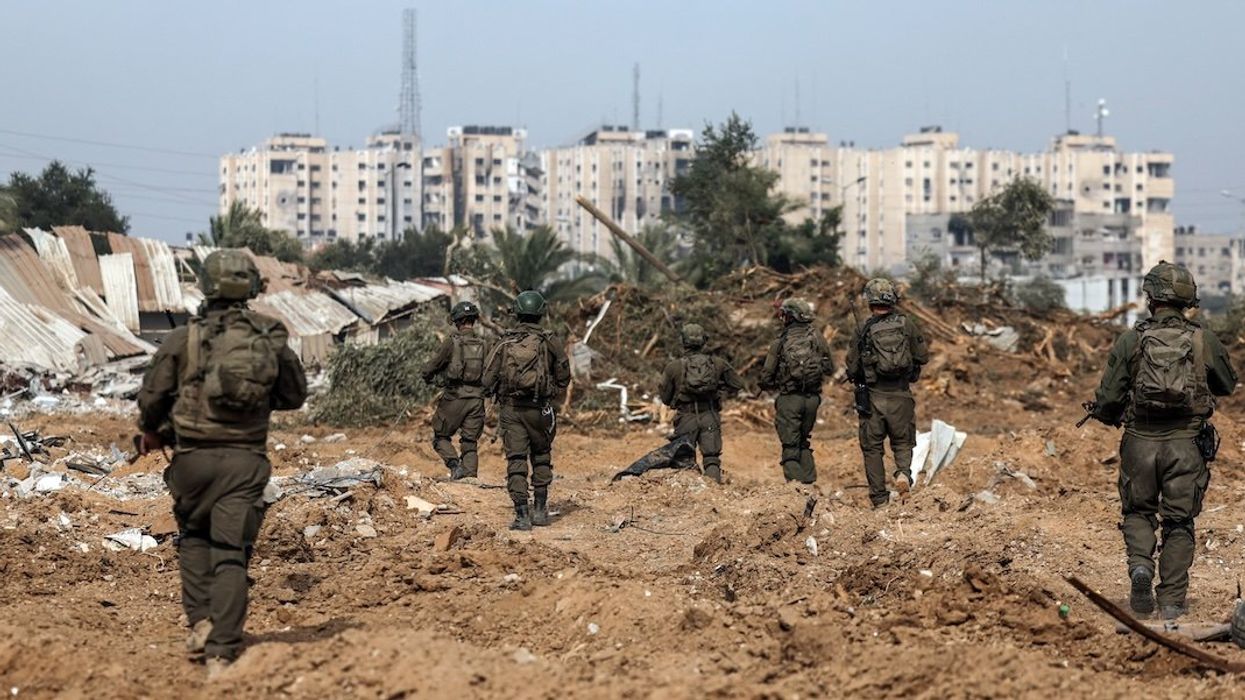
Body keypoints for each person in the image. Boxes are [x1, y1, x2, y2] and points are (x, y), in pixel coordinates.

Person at [136, 250, 307, 677]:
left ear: (207, 287)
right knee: (231, 553)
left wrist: (152, 429)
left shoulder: (183, 338)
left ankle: (202, 624)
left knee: (194, 538)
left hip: (192, 461)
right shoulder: (269, 336)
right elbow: (294, 396)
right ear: (251, 286)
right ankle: (222, 653)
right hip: (246, 461)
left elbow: (151, 400)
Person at [1088, 261, 1236, 620]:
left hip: (1140, 441)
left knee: (1139, 511)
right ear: (1188, 299)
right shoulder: (1203, 339)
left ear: (1150, 297)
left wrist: (1108, 415)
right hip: (1186, 445)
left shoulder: (1132, 339)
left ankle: (1140, 567)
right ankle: (1170, 601)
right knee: (1179, 522)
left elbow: (1109, 398)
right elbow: (1227, 385)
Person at [482, 290, 571, 531]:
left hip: (511, 411)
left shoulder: (505, 341)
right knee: (541, 456)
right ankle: (540, 511)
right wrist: (552, 392)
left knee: (516, 459)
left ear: (517, 312)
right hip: (540, 409)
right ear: (541, 313)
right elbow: (564, 374)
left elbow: (487, 378)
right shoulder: (550, 341)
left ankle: (522, 515)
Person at [845, 278, 929, 509]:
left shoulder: (863, 329)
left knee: (872, 449)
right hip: (901, 395)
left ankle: (880, 499)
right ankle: (903, 474)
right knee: (903, 443)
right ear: (892, 299)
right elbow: (922, 356)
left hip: (872, 398)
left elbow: (852, 368)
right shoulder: (906, 324)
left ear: (869, 300)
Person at [659, 323, 744, 483]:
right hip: (710, 415)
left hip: (686, 418)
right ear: (704, 341)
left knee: (684, 458)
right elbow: (737, 384)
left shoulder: (673, 367)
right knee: (711, 458)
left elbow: (664, 397)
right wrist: (718, 388)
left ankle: (691, 496)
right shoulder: (718, 363)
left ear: (683, 342)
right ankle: (713, 492)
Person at [761, 298, 835, 484]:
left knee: (790, 447)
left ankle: (798, 490)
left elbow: (766, 376)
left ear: (788, 317)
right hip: (812, 400)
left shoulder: (780, 341)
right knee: (804, 442)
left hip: (790, 400)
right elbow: (829, 368)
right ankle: (810, 484)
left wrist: (770, 384)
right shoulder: (817, 337)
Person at [422, 301, 490, 480]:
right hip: (477, 400)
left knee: (440, 436)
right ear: (474, 320)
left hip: (454, 397)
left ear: (457, 321)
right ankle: (469, 477)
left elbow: (433, 366)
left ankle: (454, 465)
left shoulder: (451, 342)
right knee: (470, 442)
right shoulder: (485, 344)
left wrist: (427, 377)